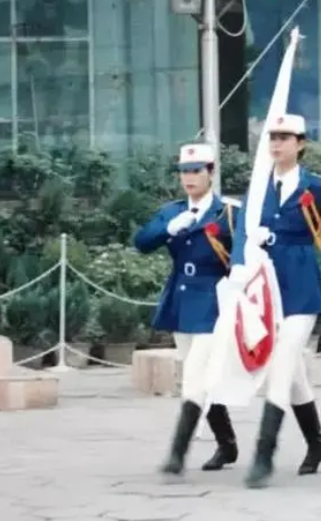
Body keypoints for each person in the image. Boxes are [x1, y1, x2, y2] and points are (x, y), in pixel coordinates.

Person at [230, 114, 321, 489]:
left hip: (301, 289)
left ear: (300, 143)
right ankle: (317, 443)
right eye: (272, 137)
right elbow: (240, 233)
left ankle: (264, 453)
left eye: (284, 137)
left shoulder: (318, 188)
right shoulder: (258, 186)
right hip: (264, 290)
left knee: (282, 364)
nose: (276, 144)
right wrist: (238, 265)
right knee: (293, 375)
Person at [133, 143, 241, 475]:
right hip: (181, 299)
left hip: (213, 300)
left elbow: (243, 254)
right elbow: (141, 242)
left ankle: (178, 452)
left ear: (211, 172)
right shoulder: (172, 211)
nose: (189, 178)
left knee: (194, 373)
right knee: (202, 375)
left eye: (196, 171)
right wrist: (168, 229)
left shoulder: (228, 212)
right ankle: (227, 444)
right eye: (184, 171)